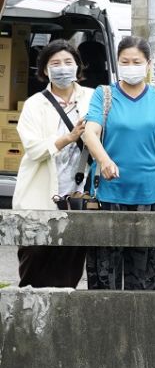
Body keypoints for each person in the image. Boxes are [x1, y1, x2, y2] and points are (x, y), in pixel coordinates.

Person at [81, 35, 155, 291]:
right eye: (125, 61)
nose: (131, 66)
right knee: (105, 275)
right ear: (117, 63)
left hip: (149, 195)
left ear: (148, 64)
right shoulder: (104, 95)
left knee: (146, 276)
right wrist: (104, 160)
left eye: (137, 61)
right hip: (108, 195)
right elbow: (90, 133)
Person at [13, 39, 93, 287]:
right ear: (45, 70)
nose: (63, 68)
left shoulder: (92, 98)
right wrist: (68, 138)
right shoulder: (35, 104)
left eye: (68, 62)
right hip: (39, 196)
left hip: (78, 197)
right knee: (33, 268)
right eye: (55, 63)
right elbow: (34, 149)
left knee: (69, 270)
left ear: (77, 66)